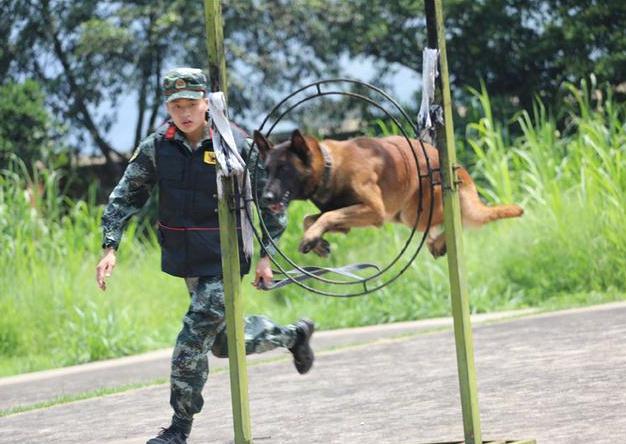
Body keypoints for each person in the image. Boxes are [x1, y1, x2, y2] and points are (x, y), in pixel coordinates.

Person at [95, 67, 315, 444]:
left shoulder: (233, 143)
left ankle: (178, 429)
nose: (184, 113)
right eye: (176, 105)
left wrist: (267, 256)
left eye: (191, 104)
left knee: (192, 339)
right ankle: (294, 335)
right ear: (168, 106)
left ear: (206, 103)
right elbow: (126, 194)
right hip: (188, 261)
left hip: (226, 259)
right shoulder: (157, 147)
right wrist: (110, 245)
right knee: (223, 342)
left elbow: (271, 202)